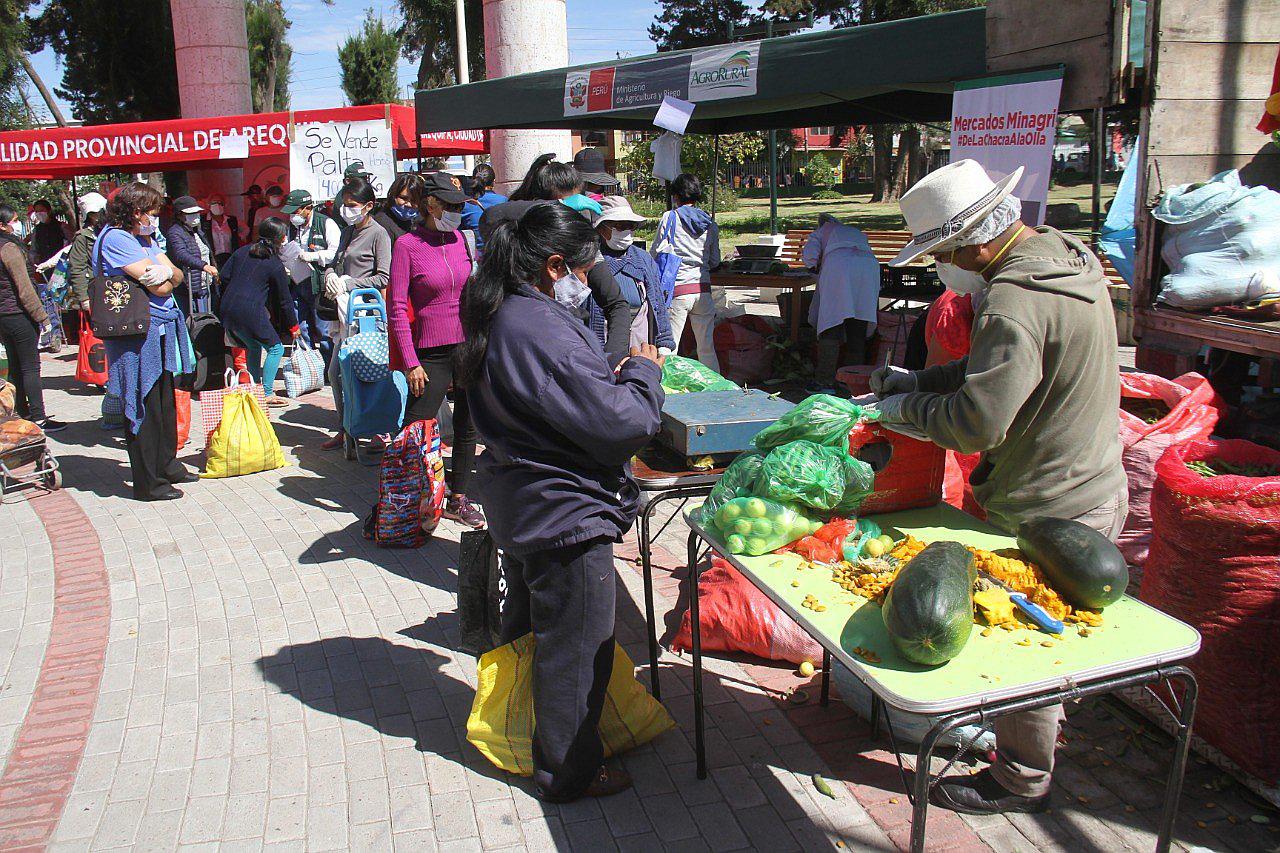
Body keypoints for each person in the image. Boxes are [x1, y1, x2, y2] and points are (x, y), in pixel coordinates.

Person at [869, 159, 1126, 817]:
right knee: (1050, 633)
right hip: (1094, 478)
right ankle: (1033, 744)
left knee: (1031, 648)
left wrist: (904, 412)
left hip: (1053, 503)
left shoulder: (1011, 298)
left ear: (976, 242)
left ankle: (1021, 778)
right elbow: (1007, 369)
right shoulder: (1062, 255)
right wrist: (922, 381)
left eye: (944, 253)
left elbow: (979, 419)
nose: (942, 268)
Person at [458, 202, 664, 802]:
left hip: (524, 503)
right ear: (554, 267)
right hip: (562, 512)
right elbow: (621, 422)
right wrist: (643, 374)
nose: (586, 283)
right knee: (575, 649)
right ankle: (568, 772)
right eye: (582, 269)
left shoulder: (501, 309)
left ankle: (527, 738)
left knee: (535, 634)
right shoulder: (537, 328)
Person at [387, 172, 484, 529]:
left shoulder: (462, 239)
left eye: (461, 205)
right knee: (416, 425)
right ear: (430, 204)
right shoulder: (407, 245)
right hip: (430, 352)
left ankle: (458, 497)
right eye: (452, 205)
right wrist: (411, 362)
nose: (458, 212)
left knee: (467, 425)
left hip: (467, 345)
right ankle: (409, 496)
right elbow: (396, 307)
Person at [94, 182, 196, 500]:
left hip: (157, 329)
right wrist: (165, 279)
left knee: (163, 402)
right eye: (151, 213)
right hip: (135, 336)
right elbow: (162, 287)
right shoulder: (117, 239)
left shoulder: (144, 237)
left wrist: (166, 277)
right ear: (136, 212)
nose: (154, 219)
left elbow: (174, 275)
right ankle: (148, 482)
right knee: (143, 407)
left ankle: (166, 464)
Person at [482, 157, 631, 364]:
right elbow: (491, 217)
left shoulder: (582, 249)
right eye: (564, 213)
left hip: (570, 347)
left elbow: (616, 304)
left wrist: (614, 358)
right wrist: (557, 205)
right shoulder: (515, 247)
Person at [320, 177, 392, 450]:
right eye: (345, 205)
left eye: (352, 205)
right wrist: (330, 275)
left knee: (370, 373)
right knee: (336, 372)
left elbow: (383, 277)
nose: (346, 210)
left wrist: (351, 283)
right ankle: (346, 427)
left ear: (368, 206)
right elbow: (337, 261)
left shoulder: (378, 234)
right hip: (344, 315)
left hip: (367, 316)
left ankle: (378, 430)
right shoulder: (348, 231)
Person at [218, 218, 298, 406]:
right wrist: (293, 326)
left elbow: (224, 276)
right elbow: (284, 300)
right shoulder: (274, 263)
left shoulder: (241, 252)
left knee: (253, 346)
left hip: (228, 309)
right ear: (280, 238)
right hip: (250, 311)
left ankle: (254, 388)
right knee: (276, 348)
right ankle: (267, 393)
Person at [0, 204, 63, 432]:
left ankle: (21, 412)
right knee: (30, 367)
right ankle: (38, 416)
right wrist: (43, 317)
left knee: (16, 367)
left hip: (4, 316)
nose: (16, 224)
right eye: (13, 220)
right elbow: (24, 288)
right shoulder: (8, 248)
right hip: (18, 314)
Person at [801, 212, 880, 390]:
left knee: (831, 324)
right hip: (868, 268)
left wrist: (814, 267)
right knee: (858, 326)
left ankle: (824, 380)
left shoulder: (822, 231)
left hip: (839, 266)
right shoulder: (854, 232)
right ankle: (851, 383)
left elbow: (810, 256)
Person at [651, 173, 721, 371]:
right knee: (707, 347)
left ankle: (665, 387)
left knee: (668, 347)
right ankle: (715, 386)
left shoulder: (669, 217)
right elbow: (715, 260)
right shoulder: (709, 222)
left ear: (675, 196)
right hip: (703, 289)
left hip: (678, 290)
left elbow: (656, 251)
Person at [593, 196, 674, 353]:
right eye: (619, 226)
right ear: (602, 228)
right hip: (603, 343)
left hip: (640, 342)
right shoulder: (592, 259)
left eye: (630, 226)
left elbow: (658, 303)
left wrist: (665, 342)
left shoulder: (642, 259)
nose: (626, 231)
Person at [280, 189, 340, 358]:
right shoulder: (291, 228)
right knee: (299, 324)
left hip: (319, 284)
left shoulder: (326, 224)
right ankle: (307, 363)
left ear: (308, 208)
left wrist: (312, 256)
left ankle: (328, 367)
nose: (292, 216)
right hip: (297, 282)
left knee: (323, 329)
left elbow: (335, 253)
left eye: (295, 211)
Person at [165, 196, 219, 316]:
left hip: (205, 283)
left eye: (196, 212)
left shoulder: (197, 231)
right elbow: (181, 254)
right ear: (179, 215)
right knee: (194, 318)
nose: (195, 216)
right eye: (191, 213)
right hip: (189, 286)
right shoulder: (175, 232)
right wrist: (203, 266)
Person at [66, 192, 109, 312]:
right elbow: (77, 268)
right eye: (93, 214)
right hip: (95, 289)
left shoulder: (112, 231)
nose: (97, 217)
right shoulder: (83, 237)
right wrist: (84, 299)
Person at [373, 172, 426, 246]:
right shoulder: (382, 223)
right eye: (404, 198)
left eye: (414, 200)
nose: (408, 204)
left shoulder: (422, 221)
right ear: (394, 195)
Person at [26, 199, 71, 267]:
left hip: (60, 264)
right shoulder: (37, 229)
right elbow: (34, 248)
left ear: (49, 211)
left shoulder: (61, 226)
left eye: (41, 210)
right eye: (37, 211)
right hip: (44, 264)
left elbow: (69, 243)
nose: (39, 213)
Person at [202, 193, 240, 269]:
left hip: (229, 258)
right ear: (209, 205)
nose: (217, 205)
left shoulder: (231, 220)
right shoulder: (203, 221)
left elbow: (237, 237)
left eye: (220, 203)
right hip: (213, 259)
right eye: (214, 203)